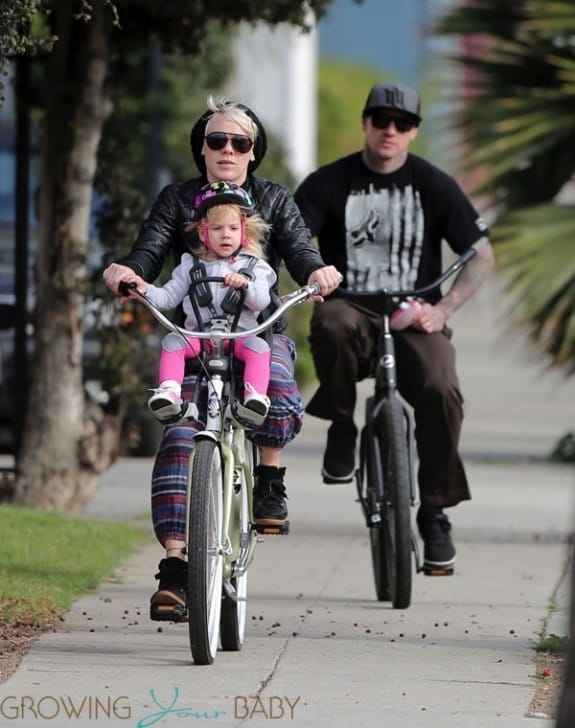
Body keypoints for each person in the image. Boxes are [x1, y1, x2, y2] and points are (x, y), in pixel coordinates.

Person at [103, 96, 341, 621]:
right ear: (202, 149)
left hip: (255, 330)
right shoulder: (177, 200)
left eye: (240, 142)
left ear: (254, 152)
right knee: (179, 438)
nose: (228, 149)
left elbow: (301, 250)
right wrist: (131, 273)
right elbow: (151, 249)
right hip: (195, 336)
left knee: (277, 385)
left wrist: (317, 272)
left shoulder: (275, 200)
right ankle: (174, 567)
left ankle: (270, 480)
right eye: (217, 140)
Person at [294, 82, 495, 575]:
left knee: (441, 387)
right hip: (352, 308)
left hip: (414, 316)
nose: (389, 130)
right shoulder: (328, 182)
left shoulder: (434, 184)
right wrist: (309, 277)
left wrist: (443, 311)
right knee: (332, 322)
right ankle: (342, 425)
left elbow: (481, 254)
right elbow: (291, 237)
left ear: (413, 132)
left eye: (401, 124)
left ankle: (434, 510)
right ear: (365, 122)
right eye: (381, 120)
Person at [120, 181, 276, 422]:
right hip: (200, 338)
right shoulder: (190, 266)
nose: (226, 234)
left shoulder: (255, 267)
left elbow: (261, 301)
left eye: (233, 228)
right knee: (173, 341)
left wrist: (245, 284)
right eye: (217, 228)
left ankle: (254, 398)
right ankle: (169, 393)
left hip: (239, 338)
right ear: (203, 233)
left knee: (260, 348)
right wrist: (144, 289)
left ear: (243, 231)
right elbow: (167, 297)